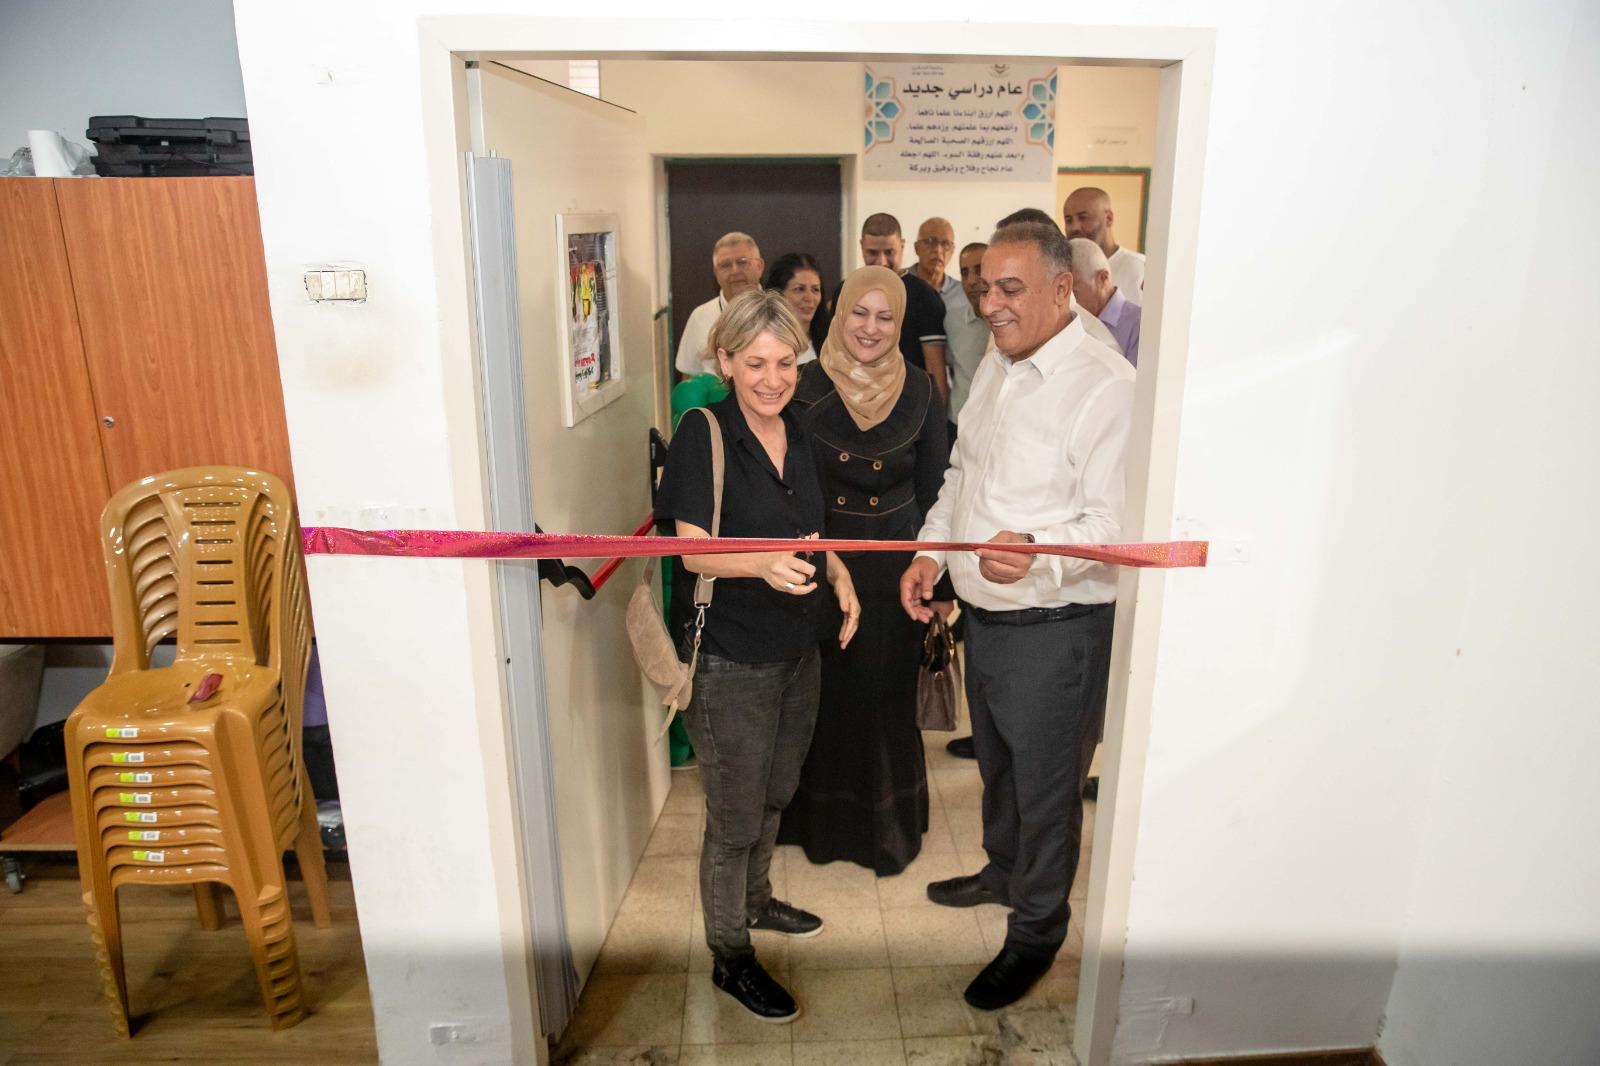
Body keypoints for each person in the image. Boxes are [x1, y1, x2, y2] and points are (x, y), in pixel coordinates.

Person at [900, 220, 1133, 1011]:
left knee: (1046, 791)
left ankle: (1036, 932)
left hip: (1057, 631)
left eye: (1009, 289)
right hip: (987, 620)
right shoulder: (1000, 366)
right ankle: (1003, 871)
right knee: (999, 769)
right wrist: (932, 554)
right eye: (983, 288)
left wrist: (1037, 548)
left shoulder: (1105, 386)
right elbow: (961, 476)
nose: (989, 304)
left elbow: (1114, 528)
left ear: (1062, 290)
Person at [656, 289, 861, 1023]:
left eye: (785, 363)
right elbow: (688, 550)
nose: (772, 379)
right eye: (755, 364)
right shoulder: (703, 433)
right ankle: (730, 956)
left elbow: (811, 529)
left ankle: (755, 899)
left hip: (798, 649)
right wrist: (761, 564)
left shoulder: (799, 429)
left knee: (775, 791)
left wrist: (836, 572)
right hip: (731, 658)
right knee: (734, 820)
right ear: (725, 360)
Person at [777, 266, 953, 876]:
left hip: (896, 578)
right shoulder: (799, 387)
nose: (870, 328)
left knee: (884, 705)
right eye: (859, 312)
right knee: (823, 704)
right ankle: (818, 827)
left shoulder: (922, 391)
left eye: (885, 317)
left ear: (900, 324)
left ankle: (883, 831)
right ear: (839, 311)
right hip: (820, 572)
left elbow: (936, 491)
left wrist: (940, 584)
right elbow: (787, 490)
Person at [815, 214, 949, 402]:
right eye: (872, 253)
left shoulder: (924, 296)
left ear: (902, 245)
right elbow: (835, 354)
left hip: (907, 404)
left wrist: (936, 415)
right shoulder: (846, 290)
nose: (881, 261)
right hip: (850, 400)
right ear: (861, 246)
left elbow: (935, 369)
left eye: (889, 252)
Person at [675, 232, 765, 378]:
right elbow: (689, 376)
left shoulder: (780, 312)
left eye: (742, 262)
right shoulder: (700, 317)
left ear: (759, 267)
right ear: (716, 273)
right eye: (725, 265)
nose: (735, 271)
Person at [1062, 187, 1145, 303]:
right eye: (1069, 220)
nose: (1074, 227)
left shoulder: (1138, 268)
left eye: (1083, 218)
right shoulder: (1062, 269)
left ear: (1109, 218)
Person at [1068, 237, 1141, 366]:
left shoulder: (1139, 326)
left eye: (1074, 292)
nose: (1068, 300)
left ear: (1103, 278)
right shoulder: (1069, 320)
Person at [948, 241, 992, 429]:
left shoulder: (1013, 322)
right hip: (958, 423)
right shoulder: (951, 320)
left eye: (979, 270)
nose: (971, 281)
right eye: (964, 273)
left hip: (994, 427)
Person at [761, 252, 825, 362]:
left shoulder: (829, 342)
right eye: (799, 289)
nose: (809, 298)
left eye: (815, 289)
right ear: (779, 294)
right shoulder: (764, 342)